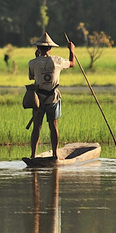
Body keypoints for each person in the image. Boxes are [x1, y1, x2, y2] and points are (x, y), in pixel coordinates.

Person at [28, 32, 76, 160]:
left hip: (38, 99)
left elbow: (32, 77)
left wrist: (37, 58)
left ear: (38, 48)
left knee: (36, 127)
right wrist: (72, 50)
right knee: (53, 126)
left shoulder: (32, 63)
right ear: (50, 48)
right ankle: (55, 154)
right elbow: (72, 63)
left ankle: (33, 155)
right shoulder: (58, 60)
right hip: (53, 98)